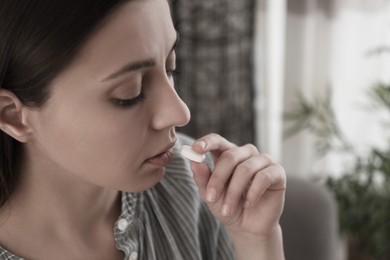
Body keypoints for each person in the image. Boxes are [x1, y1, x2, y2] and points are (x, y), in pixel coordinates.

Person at [0, 0, 286, 259]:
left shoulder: (192, 187)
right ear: (13, 116)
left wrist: (257, 243)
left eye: (171, 67)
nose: (180, 112)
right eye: (130, 92)